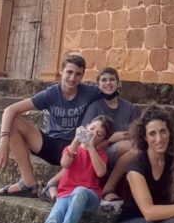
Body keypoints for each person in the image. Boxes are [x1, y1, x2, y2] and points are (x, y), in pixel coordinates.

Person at [0, 53, 100, 196]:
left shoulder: (89, 92)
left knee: (88, 143)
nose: (73, 78)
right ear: (61, 71)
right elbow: (9, 110)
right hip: (50, 145)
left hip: (74, 148)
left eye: (78, 74)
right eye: (69, 72)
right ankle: (28, 183)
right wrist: (4, 141)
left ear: (83, 76)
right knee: (14, 121)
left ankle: (53, 184)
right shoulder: (51, 94)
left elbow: (109, 92)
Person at [23, 115, 116, 223]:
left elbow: (100, 172)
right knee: (54, 216)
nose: (93, 134)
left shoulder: (100, 154)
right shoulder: (73, 149)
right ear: (86, 127)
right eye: (91, 129)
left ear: (103, 141)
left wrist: (91, 146)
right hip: (66, 194)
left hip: (89, 197)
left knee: (80, 191)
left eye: (98, 134)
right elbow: (64, 163)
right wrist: (76, 140)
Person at [40, 66, 138, 204]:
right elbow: (84, 139)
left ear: (118, 83)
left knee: (134, 148)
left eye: (112, 80)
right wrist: (110, 139)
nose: (108, 83)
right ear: (98, 85)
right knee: (127, 146)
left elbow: (135, 134)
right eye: (103, 80)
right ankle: (108, 189)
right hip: (98, 150)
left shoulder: (130, 108)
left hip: (118, 153)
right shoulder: (95, 106)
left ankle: (52, 183)